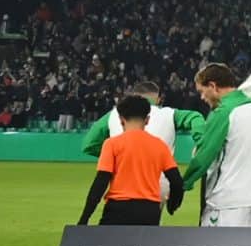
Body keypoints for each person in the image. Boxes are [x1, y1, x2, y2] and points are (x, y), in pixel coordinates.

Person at [183, 63, 251, 229]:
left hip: (226, 200)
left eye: (201, 91)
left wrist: (182, 185)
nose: (202, 98)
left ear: (213, 86)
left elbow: (205, 155)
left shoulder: (223, 111)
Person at [76, 93, 184, 225]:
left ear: (121, 119)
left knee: (111, 245)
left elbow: (100, 182)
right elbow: (176, 181)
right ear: (147, 120)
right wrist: (174, 203)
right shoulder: (159, 146)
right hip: (149, 210)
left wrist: (85, 218)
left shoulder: (112, 144)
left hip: (117, 210)